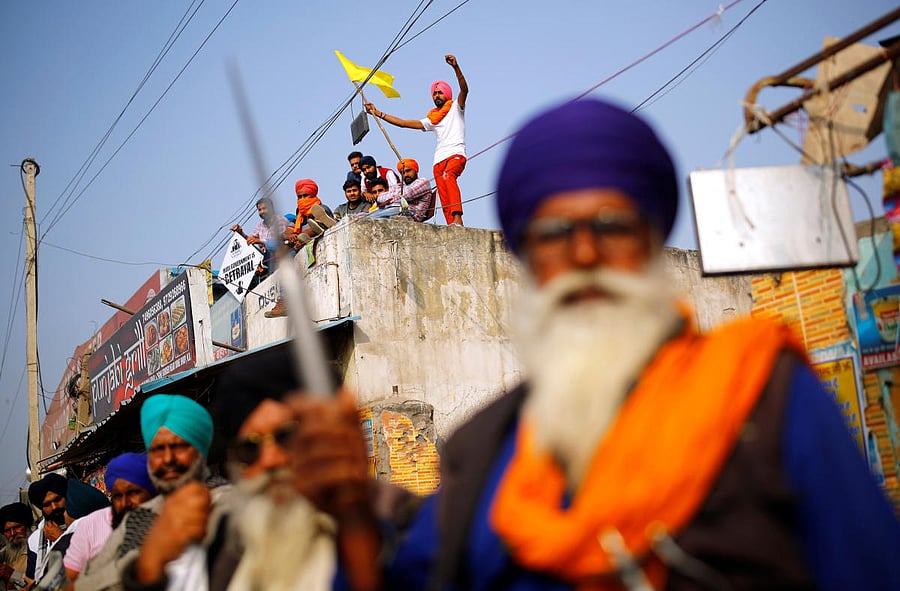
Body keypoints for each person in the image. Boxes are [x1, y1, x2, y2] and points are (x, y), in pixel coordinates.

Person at [310, 97, 900, 590]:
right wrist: (354, 514)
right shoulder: (486, 448)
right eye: (554, 233)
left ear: (650, 240)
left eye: (612, 225)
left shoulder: (763, 398)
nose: (585, 255)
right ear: (527, 257)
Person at [76, 395, 228, 591]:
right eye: (157, 449)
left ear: (199, 448)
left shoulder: (227, 503)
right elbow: (83, 585)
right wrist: (143, 562)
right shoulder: (138, 516)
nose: (167, 459)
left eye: (178, 446)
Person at [365, 54, 468, 226]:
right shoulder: (432, 119)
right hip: (438, 159)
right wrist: (379, 113)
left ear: (447, 94)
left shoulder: (456, 108)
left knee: (448, 176)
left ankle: (458, 218)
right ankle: (451, 223)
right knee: (442, 190)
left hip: (456, 154)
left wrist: (456, 67)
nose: (436, 95)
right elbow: (404, 123)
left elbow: (465, 90)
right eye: (434, 93)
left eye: (440, 92)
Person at [63, 453, 157, 584]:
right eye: (118, 496)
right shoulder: (91, 525)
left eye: (133, 493)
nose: (125, 503)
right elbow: (70, 578)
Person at [229, 197, 288, 277]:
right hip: (265, 256)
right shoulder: (260, 225)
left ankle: (271, 276)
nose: (262, 212)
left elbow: (279, 240)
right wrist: (240, 232)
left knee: (271, 246)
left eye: (264, 208)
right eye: (259, 210)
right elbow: (251, 240)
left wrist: (260, 241)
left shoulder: (280, 220)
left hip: (280, 252)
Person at [26, 473, 68, 581]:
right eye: (47, 504)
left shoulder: (82, 523)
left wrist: (61, 539)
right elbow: (32, 580)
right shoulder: (34, 541)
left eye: (57, 500)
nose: (54, 507)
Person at [0, 503, 33, 590]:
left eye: (17, 527)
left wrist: (13, 576)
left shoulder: (37, 551)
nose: (13, 534)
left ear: (27, 526)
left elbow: (40, 585)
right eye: (7, 530)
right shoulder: (3, 554)